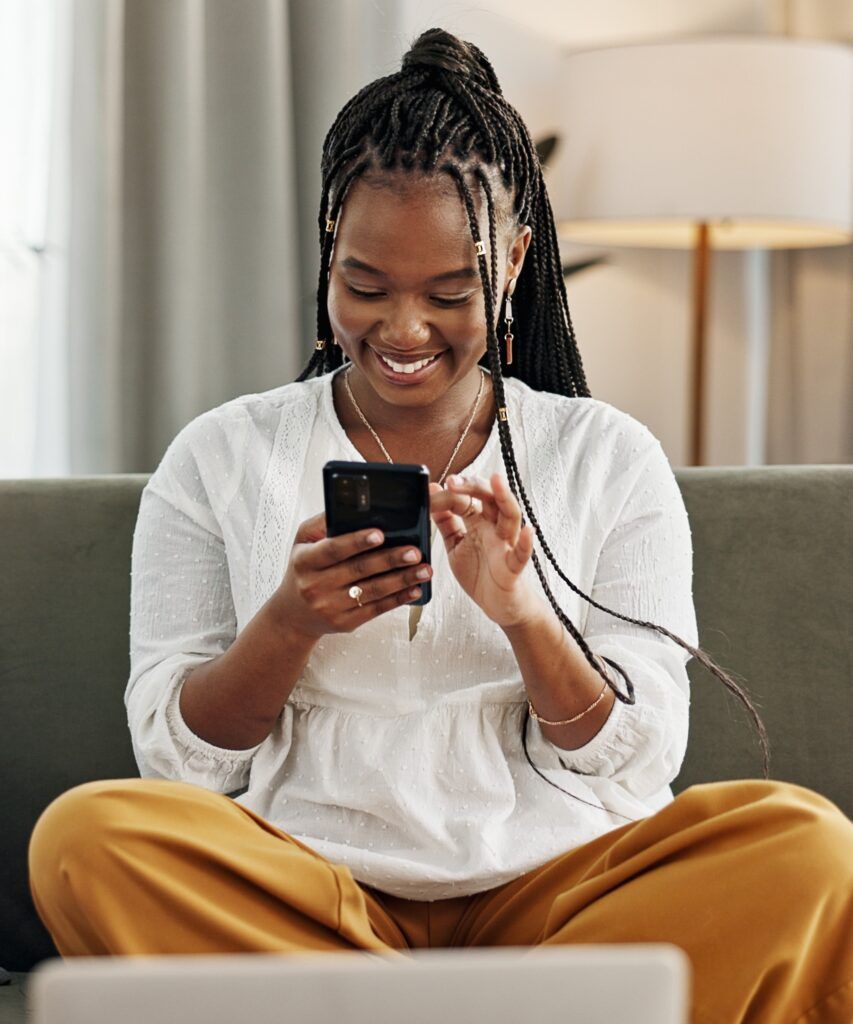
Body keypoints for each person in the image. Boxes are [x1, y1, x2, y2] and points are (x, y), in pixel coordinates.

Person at [28, 28, 852, 1024]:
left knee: (804, 843)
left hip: (560, 893)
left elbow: (637, 762)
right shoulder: (222, 456)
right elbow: (184, 765)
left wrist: (524, 617)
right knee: (88, 836)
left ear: (512, 260)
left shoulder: (605, 456)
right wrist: (287, 624)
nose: (403, 331)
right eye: (364, 287)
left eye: (450, 293)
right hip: (309, 888)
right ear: (328, 253)